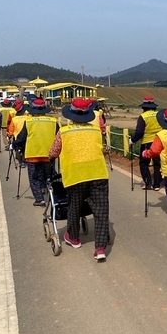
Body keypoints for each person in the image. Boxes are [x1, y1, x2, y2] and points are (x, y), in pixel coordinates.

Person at [48, 98, 110, 261]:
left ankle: (73, 238)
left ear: (71, 115)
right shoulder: (96, 130)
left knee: (74, 206)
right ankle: (101, 248)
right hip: (98, 173)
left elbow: (54, 152)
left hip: (76, 175)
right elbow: (102, 150)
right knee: (101, 211)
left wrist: (51, 157)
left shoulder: (64, 132)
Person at [13, 99, 58, 207]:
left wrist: (15, 145)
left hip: (33, 155)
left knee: (34, 177)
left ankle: (39, 199)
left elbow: (21, 138)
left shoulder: (28, 121)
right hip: (49, 154)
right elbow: (58, 137)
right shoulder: (53, 121)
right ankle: (54, 195)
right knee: (50, 176)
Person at [129, 96, 162, 191]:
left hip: (147, 143)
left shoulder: (143, 117)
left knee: (144, 163)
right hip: (158, 142)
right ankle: (157, 184)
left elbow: (139, 132)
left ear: (144, 107)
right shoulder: (158, 115)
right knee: (157, 163)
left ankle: (148, 182)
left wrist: (133, 140)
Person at [7, 100, 28, 167]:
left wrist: (9, 135)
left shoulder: (14, 119)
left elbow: (11, 129)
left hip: (17, 137)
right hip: (27, 136)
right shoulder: (28, 118)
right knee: (25, 148)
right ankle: (25, 161)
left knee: (18, 149)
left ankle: (20, 161)